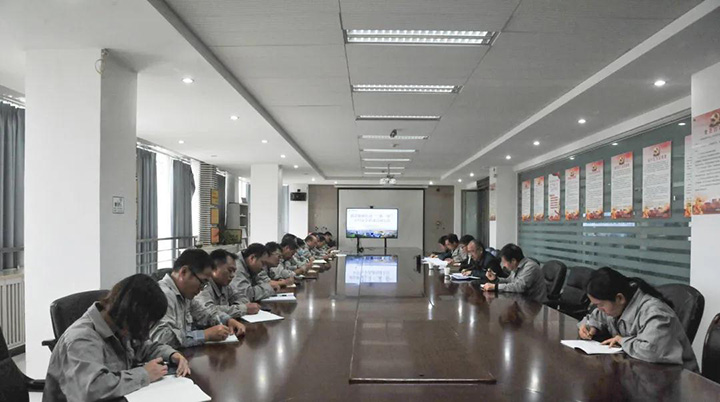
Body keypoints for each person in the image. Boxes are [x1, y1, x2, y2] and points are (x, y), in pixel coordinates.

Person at [44, 274, 191, 401]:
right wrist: (144, 374)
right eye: (145, 324)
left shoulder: (119, 326)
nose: (145, 332)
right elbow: (92, 389)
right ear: (130, 314)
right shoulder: (82, 339)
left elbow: (144, 347)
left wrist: (172, 354)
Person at [578, 267, 698, 371]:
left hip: (676, 378)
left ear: (619, 298)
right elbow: (596, 317)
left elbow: (652, 351)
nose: (599, 309)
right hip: (641, 372)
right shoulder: (615, 306)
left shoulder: (654, 312)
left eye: (600, 305)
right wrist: (590, 326)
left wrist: (622, 341)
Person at [150, 249, 246, 349]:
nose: (202, 288)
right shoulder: (162, 295)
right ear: (184, 272)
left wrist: (228, 320)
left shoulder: (185, 295)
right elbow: (162, 339)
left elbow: (205, 314)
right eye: (202, 282)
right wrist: (205, 335)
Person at [195, 249, 261, 319]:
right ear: (214, 269)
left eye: (234, 271)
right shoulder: (203, 286)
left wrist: (233, 308)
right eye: (230, 270)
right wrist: (242, 309)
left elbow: (243, 298)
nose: (233, 275)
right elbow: (208, 311)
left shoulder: (226, 285)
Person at [481, 243, 546, 303]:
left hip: (535, 304)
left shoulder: (530, 267)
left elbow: (519, 287)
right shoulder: (516, 266)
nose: (504, 266)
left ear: (513, 261)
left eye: (504, 262)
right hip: (522, 301)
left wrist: (495, 287)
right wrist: (496, 279)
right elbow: (509, 281)